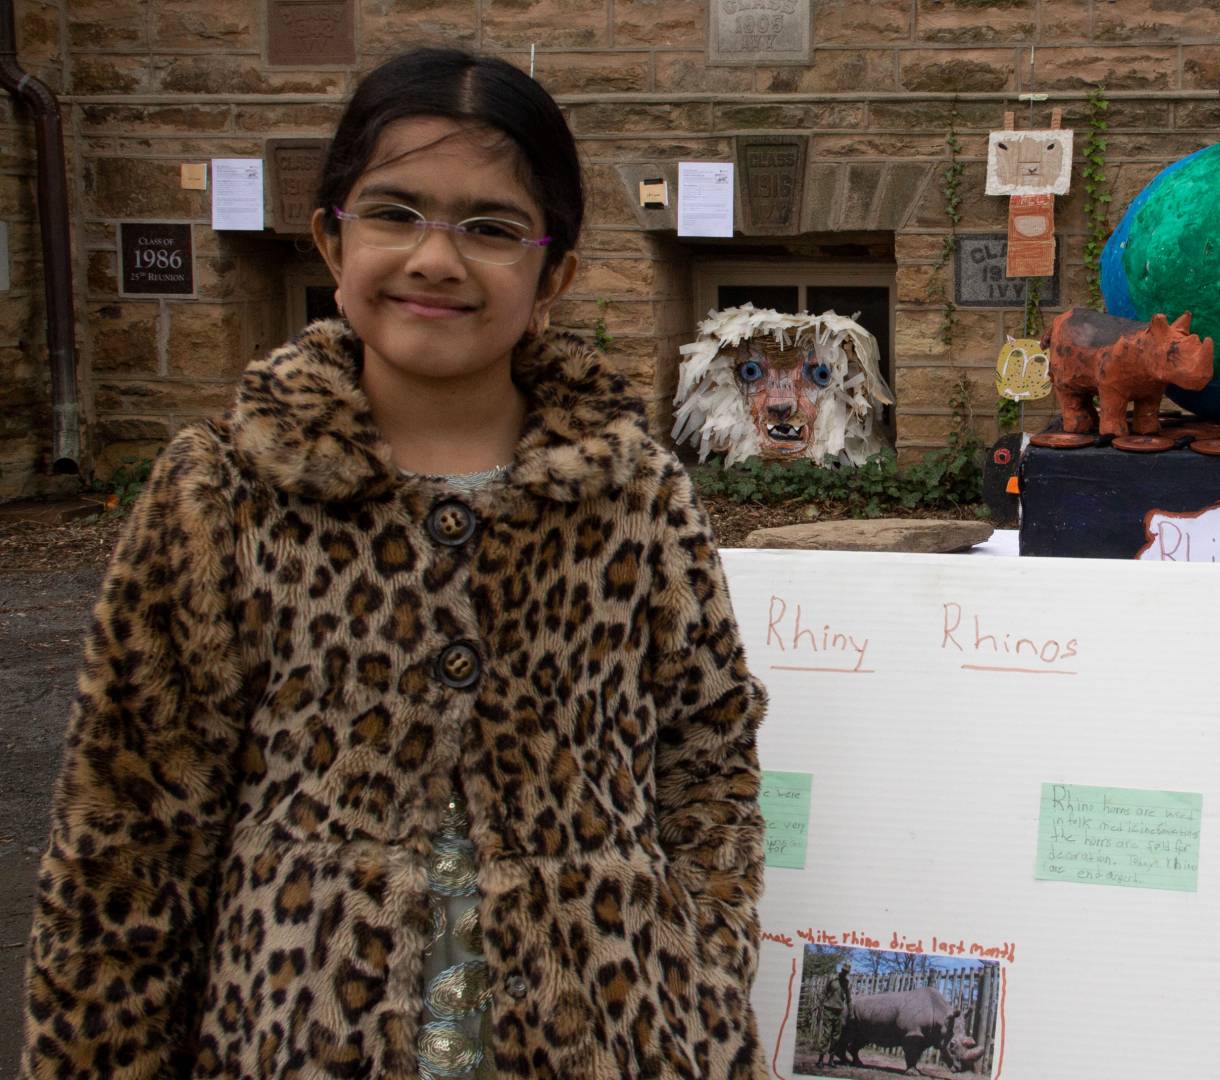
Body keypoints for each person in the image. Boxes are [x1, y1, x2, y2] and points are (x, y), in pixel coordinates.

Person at [19, 47, 770, 1079]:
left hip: (610, 1032)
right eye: (395, 213)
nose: (435, 258)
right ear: (331, 239)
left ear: (554, 274)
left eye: (491, 227)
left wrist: (701, 965)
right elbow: (128, 833)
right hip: (293, 1034)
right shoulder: (225, 491)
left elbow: (709, 753)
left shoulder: (633, 494)